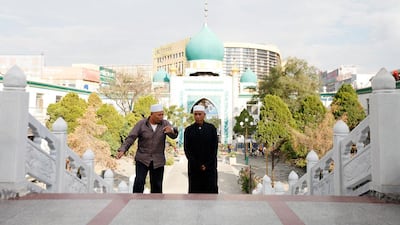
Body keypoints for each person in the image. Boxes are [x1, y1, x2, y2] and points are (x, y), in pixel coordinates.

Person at [116, 103, 178, 193]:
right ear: (152, 114)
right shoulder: (141, 124)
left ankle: (155, 205)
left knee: (157, 185)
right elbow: (131, 137)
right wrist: (123, 149)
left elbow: (174, 135)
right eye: (159, 115)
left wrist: (171, 131)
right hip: (142, 159)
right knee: (139, 183)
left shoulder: (165, 123)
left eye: (162, 114)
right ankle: (136, 203)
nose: (161, 117)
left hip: (158, 160)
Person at [184, 105, 218, 193]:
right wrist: (198, 164)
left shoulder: (211, 129)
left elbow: (214, 149)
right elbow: (187, 150)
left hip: (210, 167)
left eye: (200, 114)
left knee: (210, 192)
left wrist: (206, 164)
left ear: (204, 115)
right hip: (194, 168)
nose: (197, 116)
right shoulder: (188, 130)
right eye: (195, 114)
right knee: (195, 193)